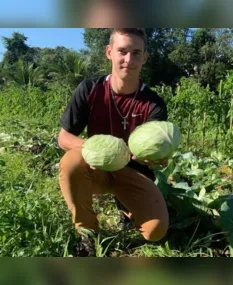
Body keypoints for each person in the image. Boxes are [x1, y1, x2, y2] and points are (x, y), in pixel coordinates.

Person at [57, 28, 169, 256]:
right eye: (122, 51)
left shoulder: (153, 103)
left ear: (145, 57)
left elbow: (155, 148)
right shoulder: (90, 90)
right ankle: (87, 233)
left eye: (136, 52)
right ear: (109, 52)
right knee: (71, 162)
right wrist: (102, 150)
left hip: (134, 173)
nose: (129, 59)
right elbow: (63, 138)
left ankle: (125, 207)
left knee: (155, 232)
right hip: (96, 168)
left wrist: (156, 158)